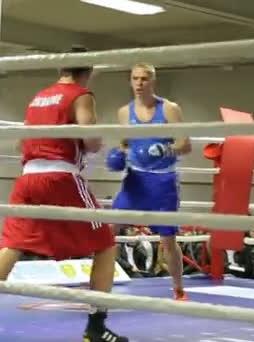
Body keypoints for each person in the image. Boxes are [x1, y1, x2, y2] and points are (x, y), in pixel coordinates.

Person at [0, 46, 128, 342]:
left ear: (60, 69)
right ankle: (95, 327)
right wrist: (100, 142)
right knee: (105, 243)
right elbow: (90, 139)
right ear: (87, 71)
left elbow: (21, 144)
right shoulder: (81, 95)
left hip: (27, 178)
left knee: (11, 246)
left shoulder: (39, 97)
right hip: (61, 176)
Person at [106, 62, 191, 301]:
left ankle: (178, 289)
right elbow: (125, 143)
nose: (139, 83)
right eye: (135, 79)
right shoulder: (124, 112)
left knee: (167, 240)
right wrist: (119, 155)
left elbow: (185, 144)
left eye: (144, 79)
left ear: (153, 81)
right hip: (135, 180)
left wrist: (165, 150)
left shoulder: (170, 109)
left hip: (163, 182)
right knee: (110, 228)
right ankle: (101, 284)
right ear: (130, 81)